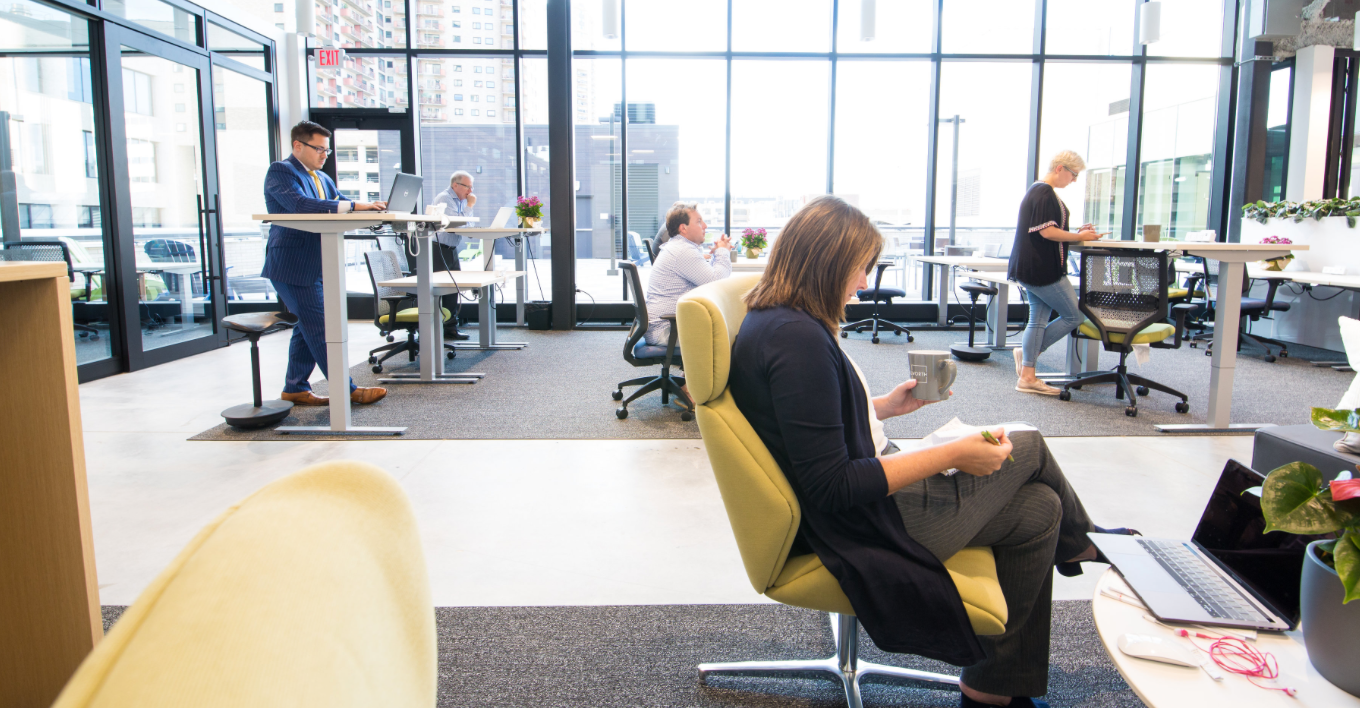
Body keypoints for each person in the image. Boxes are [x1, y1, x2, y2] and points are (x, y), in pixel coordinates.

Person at [729, 195, 1133, 708]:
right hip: (871, 522)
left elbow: (804, 428)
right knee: (1026, 443)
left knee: (1040, 510)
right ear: (828, 264)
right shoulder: (797, 341)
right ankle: (1084, 543)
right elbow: (833, 486)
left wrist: (882, 408)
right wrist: (952, 455)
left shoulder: (776, 323)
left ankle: (990, 688)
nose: (863, 285)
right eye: (859, 270)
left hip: (872, 498)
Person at [262, 121, 389, 406]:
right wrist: (357, 207)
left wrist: (369, 207)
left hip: (319, 262)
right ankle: (348, 390)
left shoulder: (322, 177)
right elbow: (300, 205)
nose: (324, 155)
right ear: (298, 146)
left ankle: (295, 387)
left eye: (326, 150)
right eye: (319, 148)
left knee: (306, 326)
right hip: (293, 264)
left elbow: (341, 201)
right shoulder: (282, 171)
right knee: (321, 326)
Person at [1007, 151, 1104, 396]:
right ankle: (1029, 356)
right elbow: (1047, 232)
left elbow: (1050, 229)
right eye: (1074, 175)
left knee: (1038, 320)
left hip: (1032, 267)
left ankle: (1027, 374)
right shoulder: (1044, 192)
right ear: (1060, 168)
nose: (1074, 181)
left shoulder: (1038, 191)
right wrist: (1080, 237)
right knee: (1075, 316)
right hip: (1041, 270)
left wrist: (1077, 232)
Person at [643, 203, 732, 346]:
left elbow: (708, 276)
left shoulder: (679, 247)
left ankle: (700, 369)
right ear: (683, 228)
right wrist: (723, 251)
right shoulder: (683, 251)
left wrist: (717, 254)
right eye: (698, 221)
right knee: (730, 338)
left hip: (670, 326)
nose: (705, 226)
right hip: (668, 331)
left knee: (728, 331)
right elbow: (716, 281)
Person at [430, 171, 477, 340]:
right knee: (443, 289)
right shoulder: (445, 199)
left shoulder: (459, 201)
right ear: (455, 185)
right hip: (439, 248)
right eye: (467, 187)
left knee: (453, 289)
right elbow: (455, 223)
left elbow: (466, 223)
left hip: (451, 248)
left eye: (472, 187)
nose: (470, 191)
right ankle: (439, 328)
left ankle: (450, 327)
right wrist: (469, 206)